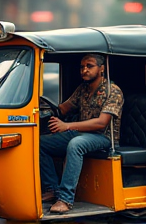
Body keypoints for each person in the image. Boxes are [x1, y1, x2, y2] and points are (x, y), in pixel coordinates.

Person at [40, 54, 124, 213]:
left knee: (75, 145)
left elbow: (101, 123)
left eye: (89, 66)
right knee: (40, 143)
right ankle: (52, 189)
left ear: (101, 69)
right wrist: (41, 107)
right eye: (82, 67)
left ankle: (65, 199)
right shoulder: (82, 89)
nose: (84, 70)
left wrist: (67, 126)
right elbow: (63, 108)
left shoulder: (113, 91)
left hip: (104, 138)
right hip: (80, 133)